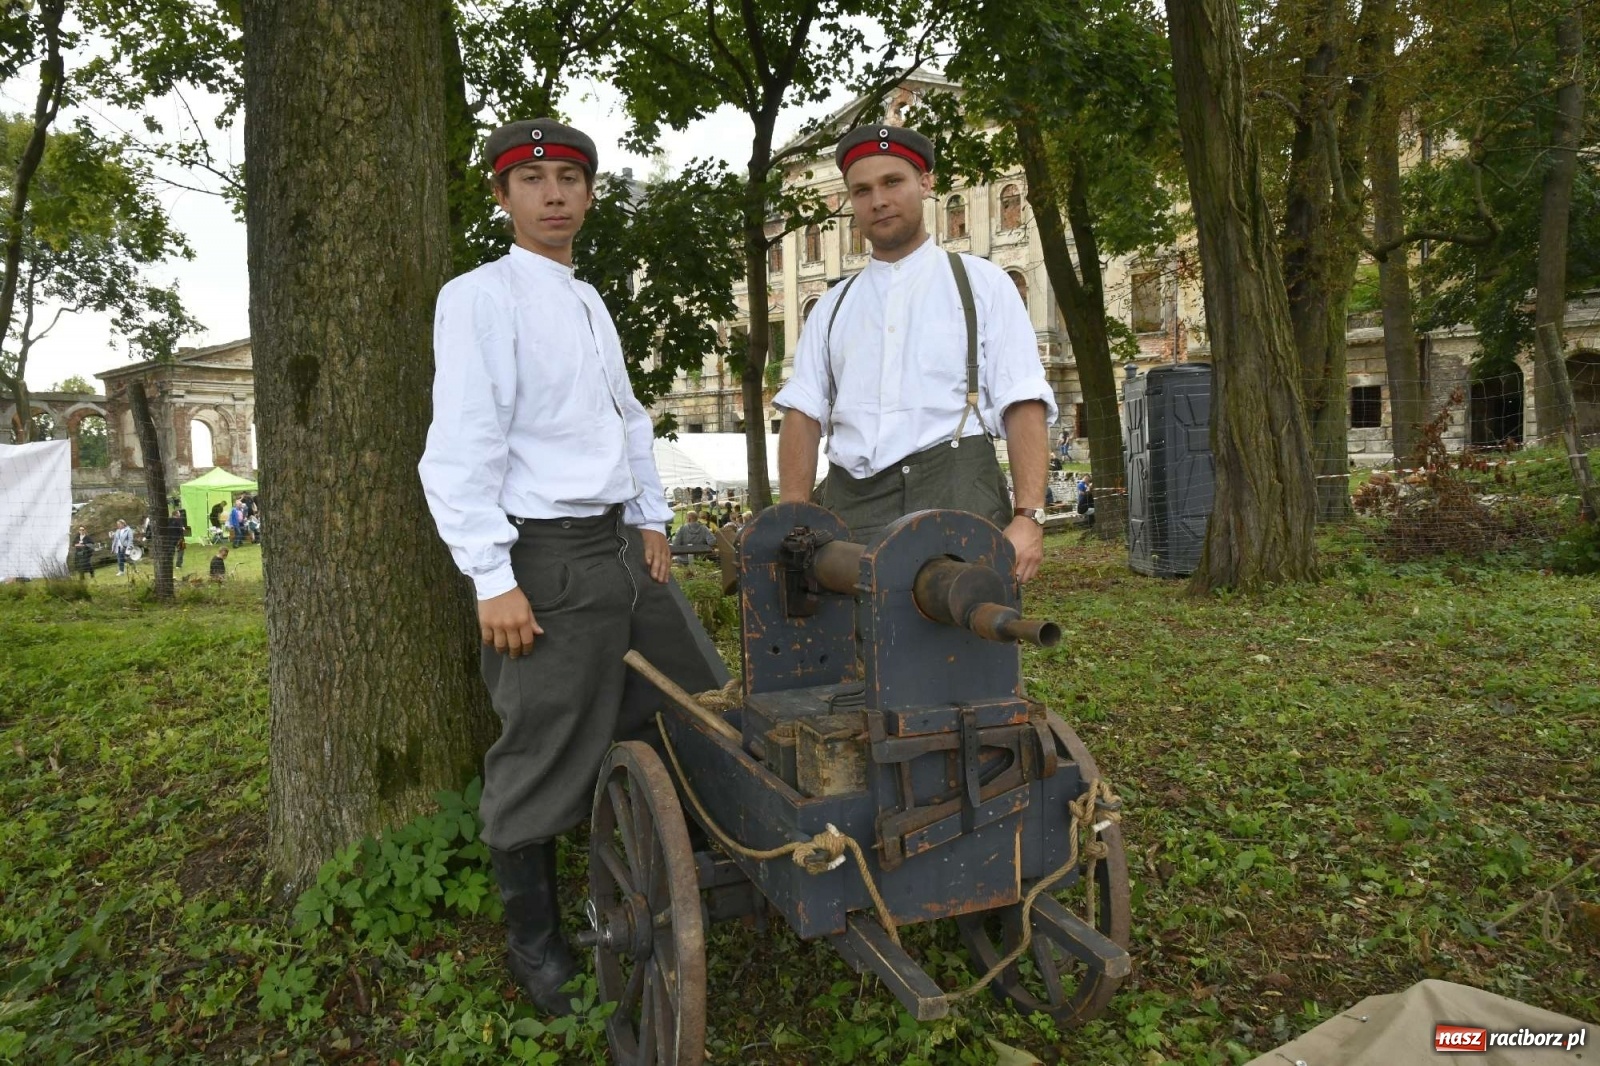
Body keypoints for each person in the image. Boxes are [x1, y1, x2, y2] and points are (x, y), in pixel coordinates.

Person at [417, 118, 721, 1018]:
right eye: (533, 179)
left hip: (618, 549)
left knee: (699, 704)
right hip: (540, 555)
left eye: (569, 179)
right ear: (503, 197)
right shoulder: (480, 297)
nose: (554, 195)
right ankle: (537, 947)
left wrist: (650, 516)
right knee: (542, 751)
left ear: (589, 194)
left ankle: (682, 881)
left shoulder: (588, 299)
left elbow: (626, 418)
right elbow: (460, 442)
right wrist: (491, 575)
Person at [774, 124, 1056, 582]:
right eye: (862, 190)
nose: (878, 200)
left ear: (925, 183)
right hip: (854, 512)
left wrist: (1029, 516)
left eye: (892, 182)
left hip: (959, 501)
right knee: (857, 648)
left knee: (967, 645)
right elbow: (803, 412)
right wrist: (792, 516)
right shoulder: (831, 307)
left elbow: (1023, 399)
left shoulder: (983, 285)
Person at [169, 498, 189, 568]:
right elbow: (182, 528)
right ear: (176, 514)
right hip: (179, 538)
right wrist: (183, 529)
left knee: (171, 552)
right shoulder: (179, 520)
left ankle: (169, 564)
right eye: (179, 513)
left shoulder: (169, 520)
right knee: (181, 551)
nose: (180, 514)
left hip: (170, 538)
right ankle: (178, 565)